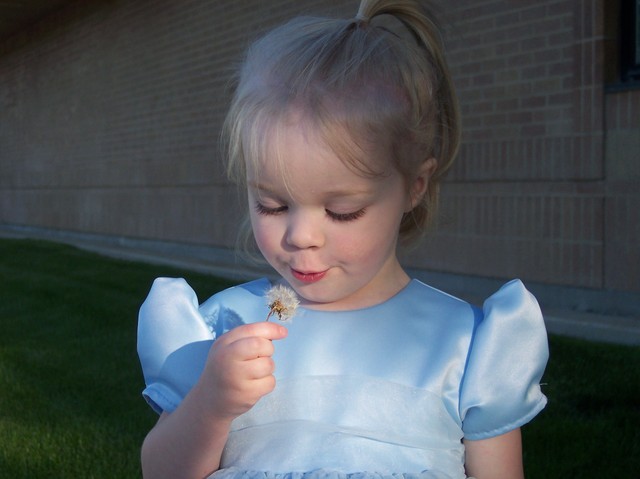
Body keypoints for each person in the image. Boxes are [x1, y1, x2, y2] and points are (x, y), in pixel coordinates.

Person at [137, 0, 549, 478]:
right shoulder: (223, 331)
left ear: (415, 186)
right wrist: (210, 403)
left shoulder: (466, 343)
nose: (301, 236)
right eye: (272, 205)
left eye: (342, 211)